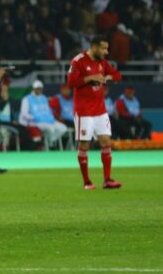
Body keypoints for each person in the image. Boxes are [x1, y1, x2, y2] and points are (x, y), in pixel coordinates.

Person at [67, 36, 123, 190]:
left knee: (106, 141)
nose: (106, 52)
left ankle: (107, 180)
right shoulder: (78, 61)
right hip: (84, 111)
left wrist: (108, 77)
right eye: (104, 48)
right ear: (94, 47)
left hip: (100, 111)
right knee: (85, 144)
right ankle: (87, 181)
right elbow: (71, 83)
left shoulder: (102, 63)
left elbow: (118, 75)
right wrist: (90, 78)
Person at [19, 80, 69, 150]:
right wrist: (35, 118)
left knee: (63, 128)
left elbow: (48, 111)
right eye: (37, 88)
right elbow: (24, 113)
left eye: (40, 88)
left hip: (48, 120)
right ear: (33, 89)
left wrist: (51, 117)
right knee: (51, 129)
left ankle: (51, 141)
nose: (39, 90)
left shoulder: (44, 98)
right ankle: (49, 145)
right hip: (36, 122)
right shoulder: (27, 99)